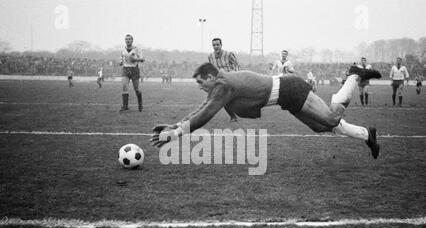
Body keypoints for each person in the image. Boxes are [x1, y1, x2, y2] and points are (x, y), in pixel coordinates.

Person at [151, 63, 382, 160]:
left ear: (211, 77)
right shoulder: (220, 84)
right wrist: (176, 126)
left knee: (332, 117)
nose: (200, 86)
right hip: (285, 97)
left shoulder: (223, 85)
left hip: (290, 89)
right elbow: (204, 107)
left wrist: (178, 132)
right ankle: (366, 135)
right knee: (323, 126)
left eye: (201, 82)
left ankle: (354, 75)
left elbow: (206, 114)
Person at [208, 38, 240, 122]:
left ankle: (235, 115)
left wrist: (233, 74)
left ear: (221, 45)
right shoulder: (210, 57)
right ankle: (233, 117)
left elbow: (236, 65)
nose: (216, 47)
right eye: (214, 45)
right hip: (220, 82)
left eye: (217, 44)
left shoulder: (228, 54)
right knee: (223, 100)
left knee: (230, 100)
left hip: (230, 80)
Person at [119, 34, 145, 112]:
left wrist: (136, 59)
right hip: (125, 69)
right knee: (124, 86)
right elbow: (121, 58)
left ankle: (140, 104)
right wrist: (120, 62)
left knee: (136, 89)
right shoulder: (123, 50)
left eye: (129, 39)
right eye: (126, 39)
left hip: (134, 70)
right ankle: (125, 106)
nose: (128, 40)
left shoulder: (136, 49)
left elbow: (143, 59)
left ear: (132, 40)